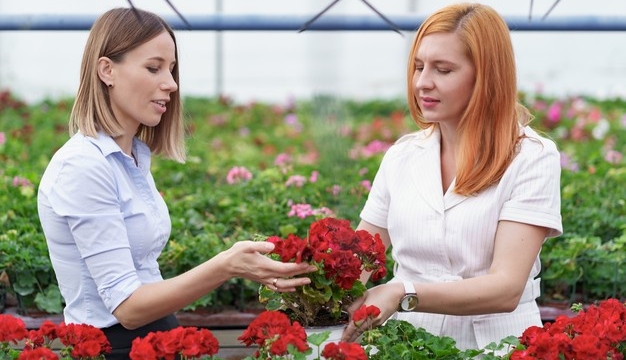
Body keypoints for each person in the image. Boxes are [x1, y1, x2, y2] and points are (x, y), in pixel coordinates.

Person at [37, 8, 315, 359]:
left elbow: (144, 281)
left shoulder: (132, 157)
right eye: (153, 68)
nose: (171, 83)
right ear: (107, 70)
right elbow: (128, 308)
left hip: (154, 341)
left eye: (171, 69)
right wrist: (226, 266)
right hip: (114, 348)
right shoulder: (83, 167)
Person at [342, 3, 563, 352]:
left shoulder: (531, 157)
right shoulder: (402, 156)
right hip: (408, 345)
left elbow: (505, 288)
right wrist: (305, 281)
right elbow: (357, 265)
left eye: (443, 70)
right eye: (418, 67)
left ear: (486, 76)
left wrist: (403, 292)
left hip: (497, 346)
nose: (422, 82)